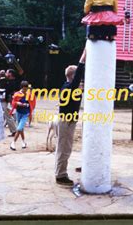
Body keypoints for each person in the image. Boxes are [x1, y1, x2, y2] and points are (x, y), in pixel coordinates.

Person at [55, 48, 86, 186]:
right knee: (64, 148)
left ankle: (60, 172)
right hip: (66, 122)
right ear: (73, 76)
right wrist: (84, 56)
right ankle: (61, 175)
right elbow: (79, 72)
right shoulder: (70, 87)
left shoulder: (66, 86)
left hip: (66, 120)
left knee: (63, 147)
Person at [9, 81, 36, 150]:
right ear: (22, 88)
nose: (25, 90)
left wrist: (28, 106)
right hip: (18, 112)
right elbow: (13, 102)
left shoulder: (29, 94)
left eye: (26, 89)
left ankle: (13, 143)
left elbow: (33, 102)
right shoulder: (17, 94)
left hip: (25, 113)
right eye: (24, 89)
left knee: (19, 128)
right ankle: (23, 142)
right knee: (21, 129)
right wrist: (18, 103)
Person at [0, 69, 20, 137]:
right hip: (8, 100)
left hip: (6, 101)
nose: (5, 73)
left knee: (8, 116)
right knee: (8, 115)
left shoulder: (9, 81)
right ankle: (14, 130)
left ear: (10, 74)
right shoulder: (10, 81)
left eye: (7, 72)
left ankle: (14, 130)